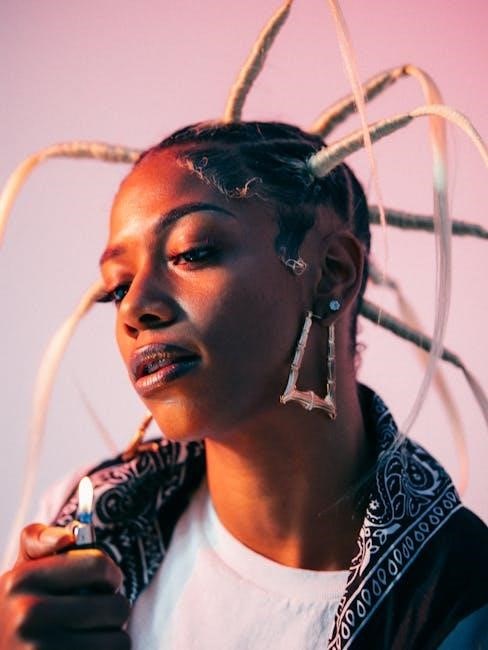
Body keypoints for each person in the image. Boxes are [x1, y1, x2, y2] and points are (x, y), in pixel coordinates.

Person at [1, 119, 487, 649]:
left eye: (192, 253)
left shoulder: (462, 604)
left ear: (330, 272)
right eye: (118, 286)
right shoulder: (76, 535)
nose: (135, 308)